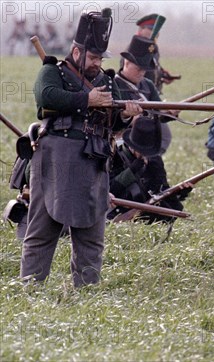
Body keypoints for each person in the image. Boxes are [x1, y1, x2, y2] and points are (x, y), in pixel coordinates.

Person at [21, 9, 143, 287]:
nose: (97, 63)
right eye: (93, 57)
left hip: (94, 159)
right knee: (42, 229)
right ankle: (30, 286)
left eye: (100, 58)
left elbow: (113, 121)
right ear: (76, 52)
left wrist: (126, 115)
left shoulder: (107, 81)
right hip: (56, 158)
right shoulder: (53, 71)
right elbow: (46, 96)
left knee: (91, 233)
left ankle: (86, 289)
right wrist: (86, 99)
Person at [108, 117, 190, 223]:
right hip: (120, 211)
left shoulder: (155, 160)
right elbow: (110, 189)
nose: (145, 154)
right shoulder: (116, 156)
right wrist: (132, 170)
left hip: (147, 213)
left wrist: (179, 192)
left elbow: (161, 189)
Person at [114, 35, 174, 155]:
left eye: (144, 69)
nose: (142, 73)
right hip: (121, 146)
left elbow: (158, 112)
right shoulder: (114, 85)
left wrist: (170, 112)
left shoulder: (148, 85)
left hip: (147, 144)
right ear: (127, 62)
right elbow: (111, 121)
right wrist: (127, 116)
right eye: (138, 68)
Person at [135, 14, 178, 93]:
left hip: (153, 93)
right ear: (141, 29)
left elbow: (152, 66)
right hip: (140, 94)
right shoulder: (135, 48)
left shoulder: (153, 47)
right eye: (151, 29)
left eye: (157, 30)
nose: (156, 33)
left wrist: (162, 74)